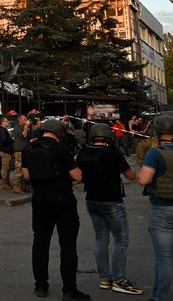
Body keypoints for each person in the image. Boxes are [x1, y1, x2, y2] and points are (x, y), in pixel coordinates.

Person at [21, 119, 88, 300]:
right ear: (59, 133)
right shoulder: (61, 149)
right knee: (67, 245)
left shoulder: (28, 149)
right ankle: (69, 290)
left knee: (40, 242)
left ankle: (41, 286)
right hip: (62, 200)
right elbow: (77, 176)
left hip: (40, 200)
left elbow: (26, 175)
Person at [76, 123, 142, 295]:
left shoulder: (83, 153)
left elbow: (79, 177)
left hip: (92, 200)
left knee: (101, 239)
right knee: (121, 240)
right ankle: (119, 279)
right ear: (108, 137)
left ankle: (105, 278)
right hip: (111, 201)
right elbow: (130, 175)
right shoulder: (113, 153)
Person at [137, 114, 173, 301]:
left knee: (164, 257)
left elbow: (144, 179)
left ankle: (159, 297)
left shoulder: (155, 153)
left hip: (163, 209)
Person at [0, 115, 15, 191]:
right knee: (5, 168)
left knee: (7, 168)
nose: (8, 122)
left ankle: (7, 182)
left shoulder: (2, 130)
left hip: (6, 150)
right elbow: (4, 140)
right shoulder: (2, 130)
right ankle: (4, 183)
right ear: (2, 122)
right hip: (4, 151)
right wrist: (12, 139)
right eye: (6, 121)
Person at [12, 114, 30, 193]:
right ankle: (16, 186)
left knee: (24, 168)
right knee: (19, 168)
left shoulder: (23, 127)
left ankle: (22, 186)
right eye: (24, 118)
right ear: (20, 120)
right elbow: (23, 135)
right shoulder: (17, 127)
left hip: (24, 150)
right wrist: (26, 127)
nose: (26, 120)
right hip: (19, 150)